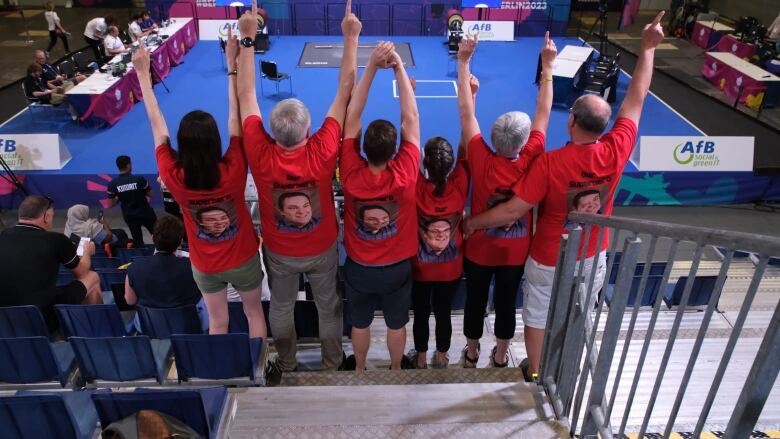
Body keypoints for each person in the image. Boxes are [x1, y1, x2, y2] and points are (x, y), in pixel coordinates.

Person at [463, 12, 666, 380]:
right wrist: (648, 49)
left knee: (537, 314)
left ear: (571, 122)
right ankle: (567, 369)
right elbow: (635, 100)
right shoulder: (618, 147)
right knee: (579, 311)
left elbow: (514, 208)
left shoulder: (550, 164)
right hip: (593, 250)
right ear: (604, 127)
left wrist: (473, 222)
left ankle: (537, 373)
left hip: (547, 254)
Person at [236, 0, 359, 372]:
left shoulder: (258, 149)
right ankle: (332, 361)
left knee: (283, 308)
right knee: (328, 307)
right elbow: (345, 91)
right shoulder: (323, 149)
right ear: (308, 130)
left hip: (279, 251)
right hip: (321, 248)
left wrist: (246, 39)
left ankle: (287, 364)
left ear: (272, 131)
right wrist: (351, 38)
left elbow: (245, 95)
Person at [133, 31, 267, 338]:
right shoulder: (232, 168)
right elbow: (236, 119)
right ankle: (260, 371)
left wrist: (143, 75)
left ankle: (221, 372)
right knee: (253, 313)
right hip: (244, 257)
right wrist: (232, 67)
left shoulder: (173, 176)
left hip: (205, 264)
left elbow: (157, 125)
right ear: (214, 141)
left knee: (218, 323)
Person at [456, 33, 556, 369]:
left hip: (479, 250)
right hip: (515, 252)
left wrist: (464, 60)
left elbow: (466, 113)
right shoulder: (532, 155)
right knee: (506, 301)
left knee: (475, 300)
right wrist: (548, 66)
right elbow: (544, 109)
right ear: (524, 141)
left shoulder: (481, 156)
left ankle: (471, 352)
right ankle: (501, 355)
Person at [339, 41, 419, 372]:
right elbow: (410, 117)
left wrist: (370, 66)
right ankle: (396, 369)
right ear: (393, 150)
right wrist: (398, 67)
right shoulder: (406, 172)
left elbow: (353, 115)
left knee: (360, 323)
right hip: (398, 267)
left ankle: (358, 368)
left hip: (359, 266)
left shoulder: (350, 174)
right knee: (396, 323)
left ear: (363, 148)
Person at [408, 135, 469, 369]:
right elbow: (465, 149)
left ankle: (421, 358)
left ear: (425, 164)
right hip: (450, 269)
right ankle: (442, 355)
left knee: (421, 313)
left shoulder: (417, 186)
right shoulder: (460, 184)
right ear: (451, 164)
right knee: (444, 312)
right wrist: (469, 104)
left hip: (420, 269)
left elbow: (410, 148)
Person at [0, 195, 102, 331]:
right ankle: (97, 328)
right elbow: (81, 272)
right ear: (46, 217)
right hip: (40, 316)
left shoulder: (3, 235)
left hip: (5, 318)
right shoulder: (56, 239)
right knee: (92, 277)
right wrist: (87, 251)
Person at [124, 215, 200, 309]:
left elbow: (130, 301)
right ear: (180, 242)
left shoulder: (134, 267)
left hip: (151, 322)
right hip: (189, 320)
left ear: (152, 238)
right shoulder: (194, 267)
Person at [106, 155, 157, 247]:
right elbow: (151, 194)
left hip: (130, 216)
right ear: (128, 165)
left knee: (137, 239)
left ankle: (141, 257)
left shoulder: (113, 184)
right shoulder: (139, 179)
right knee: (158, 235)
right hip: (146, 213)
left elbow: (110, 204)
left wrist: (119, 196)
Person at [64, 204, 129, 248]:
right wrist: (104, 222)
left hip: (81, 251)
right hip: (99, 248)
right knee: (121, 233)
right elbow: (109, 237)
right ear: (81, 214)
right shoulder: (91, 227)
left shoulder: (69, 226)